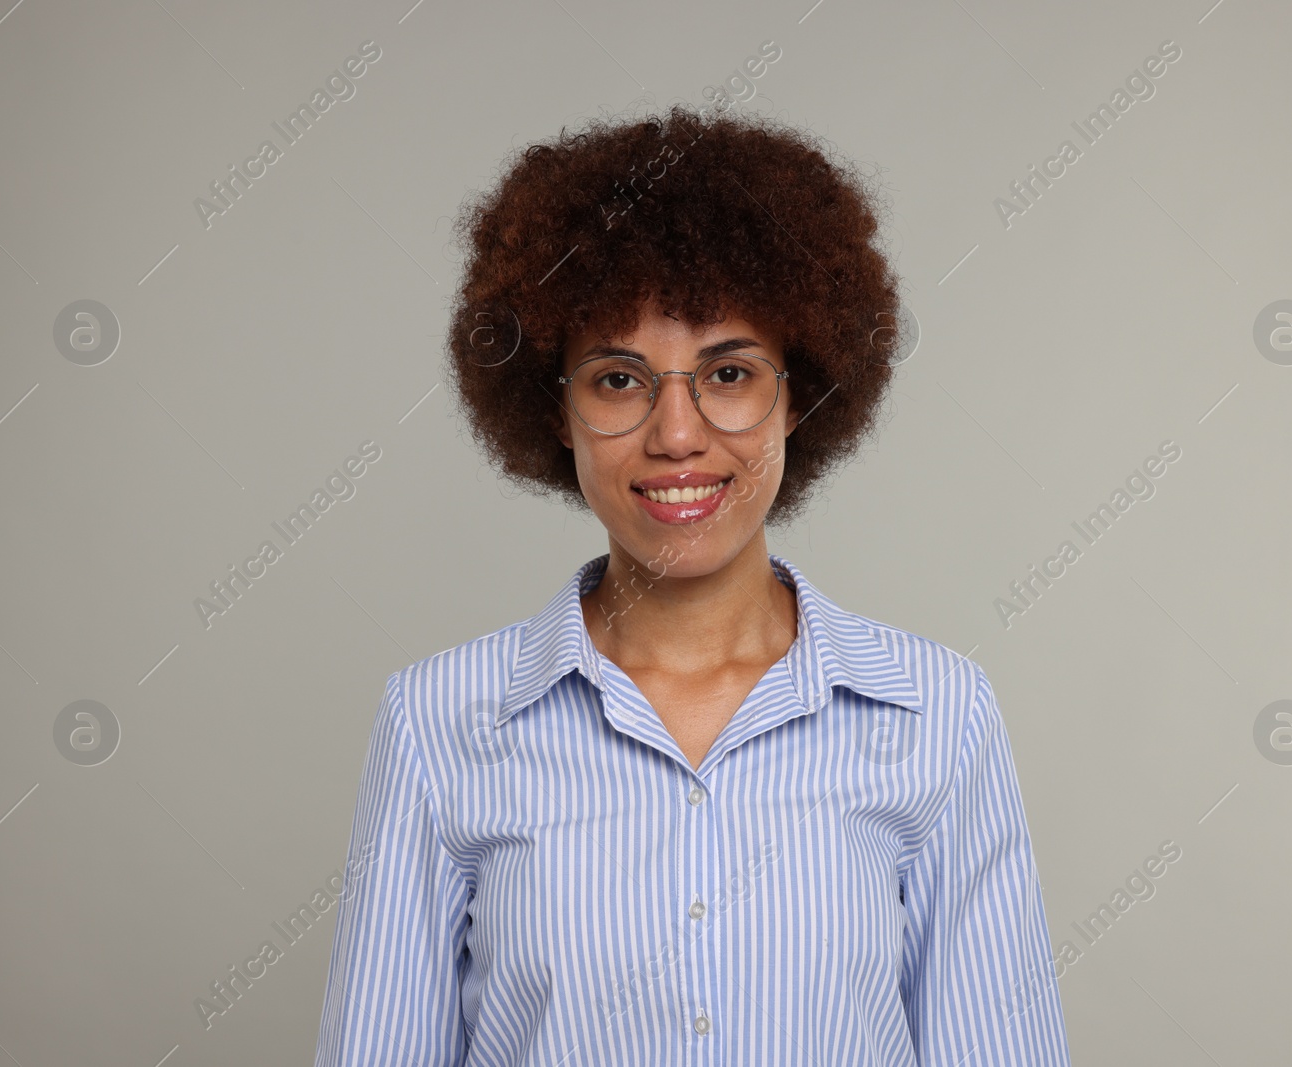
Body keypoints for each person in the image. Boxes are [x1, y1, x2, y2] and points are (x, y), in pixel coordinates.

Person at [314, 103, 1070, 1065]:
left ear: (799, 395)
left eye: (730, 372)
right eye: (620, 380)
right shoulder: (439, 726)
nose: (677, 434)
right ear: (557, 410)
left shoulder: (937, 718)